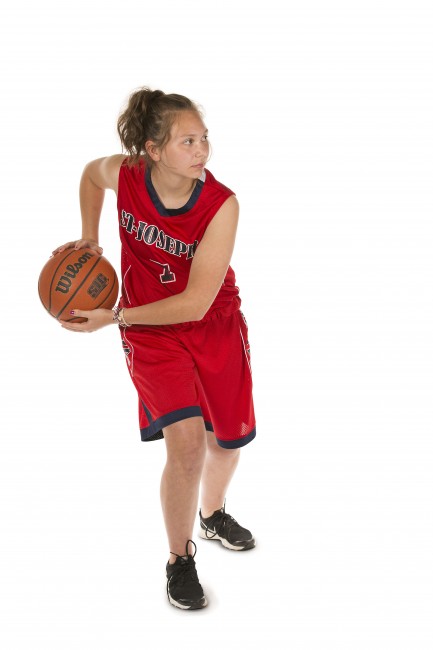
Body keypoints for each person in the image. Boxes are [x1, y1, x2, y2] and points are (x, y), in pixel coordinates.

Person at [53, 87, 256, 610]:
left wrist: (114, 316)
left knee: (226, 443)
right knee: (186, 445)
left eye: (204, 138)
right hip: (150, 331)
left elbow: (195, 302)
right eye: (188, 141)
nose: (202, 149)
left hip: (211, 323)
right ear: (153, 149)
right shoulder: (125, 175)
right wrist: (89, 237)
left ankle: (212, 514)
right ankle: (179, 559)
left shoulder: (221, 205)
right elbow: (89, 175)